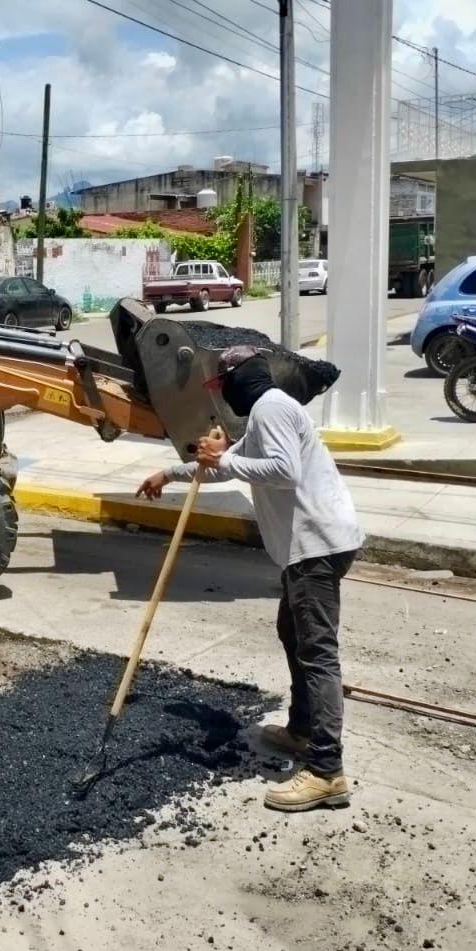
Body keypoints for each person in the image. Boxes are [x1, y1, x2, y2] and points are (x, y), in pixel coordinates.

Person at [137, 346, 364, 813]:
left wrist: (224, 461)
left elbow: (283, 470)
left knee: (317, 653)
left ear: (238, 380)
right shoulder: (267, 412)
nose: (223, 397)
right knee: (292, 634)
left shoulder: (271, 408)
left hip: (316, 546)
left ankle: (327, 771)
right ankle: (303, 729)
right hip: (311, 547)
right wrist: (169, 473)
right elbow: (226, 464)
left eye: (222, 387)